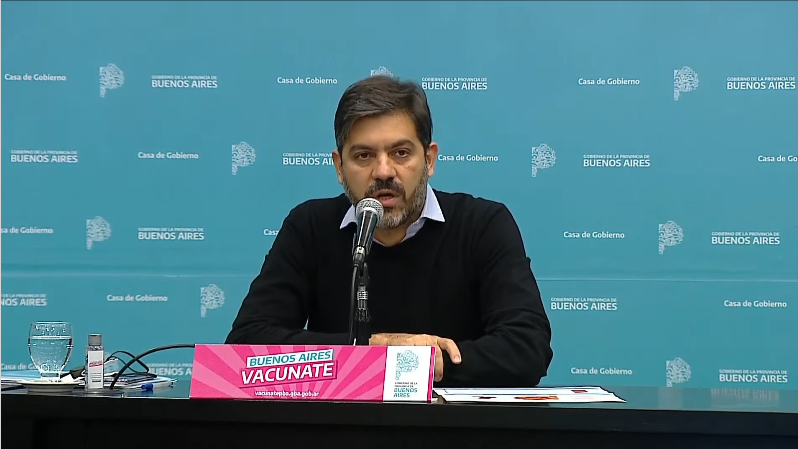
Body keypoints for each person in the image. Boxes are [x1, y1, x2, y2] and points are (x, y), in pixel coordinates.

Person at [225, 75, 553, 388]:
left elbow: (527, 348)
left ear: (429, 160)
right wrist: (376, 350)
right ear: (340, 168)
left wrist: (422, 363)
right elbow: (245, 345)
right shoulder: (309, 226)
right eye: (364, 155)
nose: (383, 172)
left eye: (401, 153)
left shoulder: (482, 224)